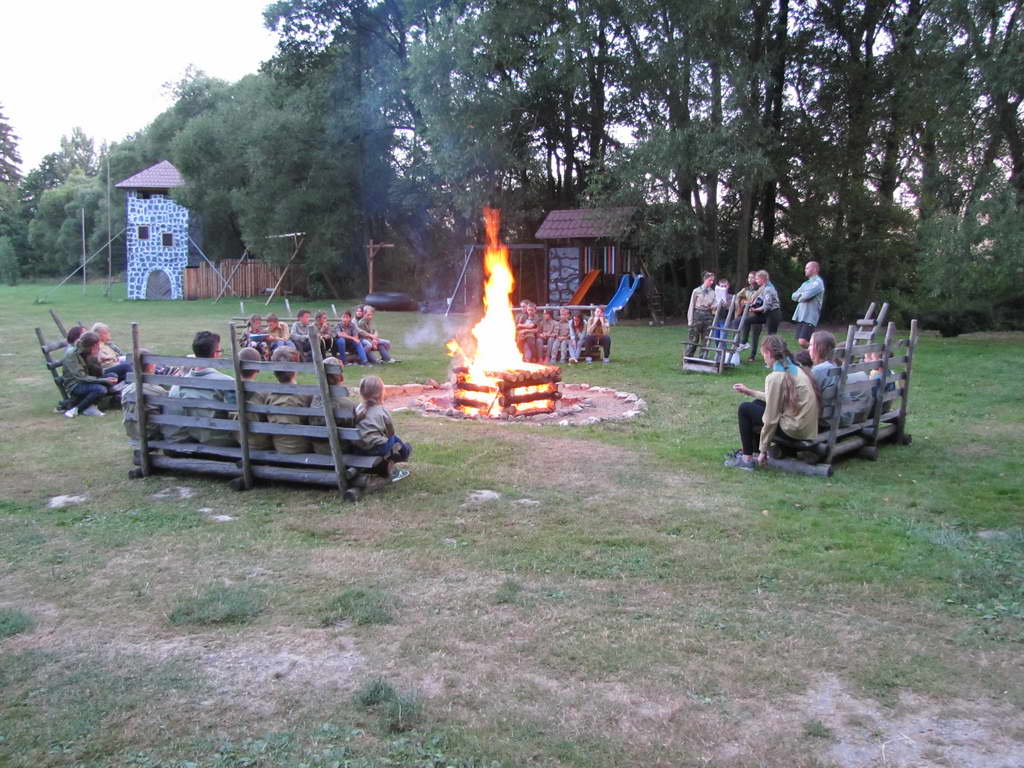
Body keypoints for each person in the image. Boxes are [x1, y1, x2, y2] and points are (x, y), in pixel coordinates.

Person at [726, 335, 820, 470]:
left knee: (744, 409)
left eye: (763, 354)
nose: (764, 358)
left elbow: (771, 418)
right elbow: (775, 399)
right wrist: (750, 391)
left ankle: (747, 459)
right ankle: (753, 452)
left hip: (795, 430)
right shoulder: (794, 368)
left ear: (769, 353)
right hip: (806, 427)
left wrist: (764, 449)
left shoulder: (776, 377)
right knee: (757, 403)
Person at [164, 331, 237, 446]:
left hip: (192, 438)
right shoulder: (227, 382)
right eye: (220, 351)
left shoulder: (178, 385)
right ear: (215, 354)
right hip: (222, 441)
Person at [808, 330, 873, 427]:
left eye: (811, 345)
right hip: (850, 417)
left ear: (819, 348)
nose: (808, 348)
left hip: (833, 421)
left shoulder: (820, 370)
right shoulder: (836, 368)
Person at [263, 346, 313, 454]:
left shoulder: (269, 396)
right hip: (303, 449)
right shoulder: (306, 395)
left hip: (279, 447)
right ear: (296, 369)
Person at [353, 375, 412, 462]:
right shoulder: (382, 411)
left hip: (360, 449)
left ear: (362, 392)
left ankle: (400, 452)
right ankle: (405, 453)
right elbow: (390, 432)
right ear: (381, 393)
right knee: (393, 438)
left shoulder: (359, 408)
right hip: (378, 449)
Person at [61, 332, 116, 418]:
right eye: (96, 345)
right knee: (101, 389)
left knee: (112, 376)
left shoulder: (88, 352)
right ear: (91, 346)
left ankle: (91, 405)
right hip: (75, 384)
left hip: (88, 379)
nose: (98, 347)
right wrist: (103, 380)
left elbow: (98, 372)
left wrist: (95, 357)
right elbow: (81, 377)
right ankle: (76, 409)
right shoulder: (72, 355)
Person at [309, 356, 356, 455]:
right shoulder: (346, 404)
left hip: (318, 450)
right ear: (341, 377)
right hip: (340, 452)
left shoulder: (313, 399)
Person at [233, 347, 275, 451]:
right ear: (258, 369)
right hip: (260, 445)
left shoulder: (229, 390)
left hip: (238, 440)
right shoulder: (264, 393)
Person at [121, 349, 166, 440]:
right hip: (151, 435)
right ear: (150, 366)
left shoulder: (126, 390)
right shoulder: (158, 391)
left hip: (133, 433)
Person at [739, 270, 782, 361]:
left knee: (771, 337)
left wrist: (756, 310)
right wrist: (754, 306)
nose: (756, 280)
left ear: (762, 279)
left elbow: (767, 306)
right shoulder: (763, 287)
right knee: (747, 320)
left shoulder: (768, 289)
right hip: (766, 313)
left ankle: (775, 358)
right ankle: (744, 342)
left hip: (773, 313)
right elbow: (760, 300)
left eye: (757, 279)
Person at [791, 261, 825, 349]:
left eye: (807, 268)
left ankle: (822, 351)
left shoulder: (818, 282)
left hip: (810, 316)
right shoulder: (805, 283)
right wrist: (802, 295)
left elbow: (806, 296)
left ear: (814, 269)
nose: (805, 270)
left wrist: (801, 296)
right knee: (803, 342)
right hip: (802, 316)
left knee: (802, 341)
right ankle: (817, 353)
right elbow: (793, 296)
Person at [686, 272, 720, 358]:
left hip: (708, 316)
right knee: (693, 339)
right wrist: (690, 321)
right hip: (697, 315)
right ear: (705, 279)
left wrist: (716, 305)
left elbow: (715, 304)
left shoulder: (713, 292)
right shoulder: (696, 291)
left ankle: (703, 358)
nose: (711, 282)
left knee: (706, 339)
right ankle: (688, 358)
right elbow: (691, 306)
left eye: (713, 280)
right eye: (710, 280)